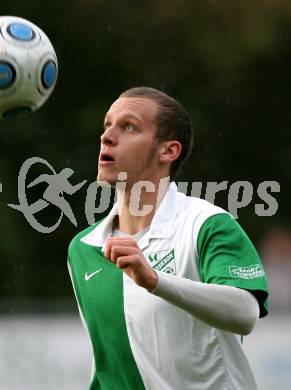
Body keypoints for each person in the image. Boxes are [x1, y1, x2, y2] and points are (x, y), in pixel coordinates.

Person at [67, 87, 268, 389]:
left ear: (168, 151)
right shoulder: (84, 248)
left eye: (129, 126)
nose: (106, 136)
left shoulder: (206, 224)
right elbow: (108, 363)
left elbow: (245, 313)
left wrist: (155, 281)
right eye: (107, 124)